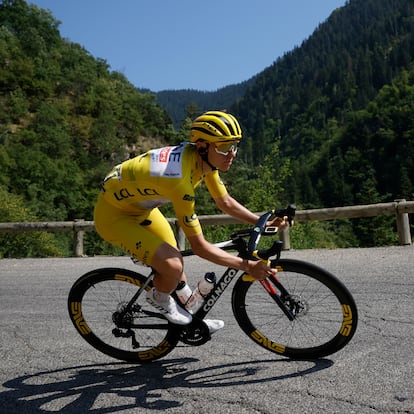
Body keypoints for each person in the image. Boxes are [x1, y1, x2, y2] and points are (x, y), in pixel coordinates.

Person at [94, 110, 288, 333]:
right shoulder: (179, 180)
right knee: (172, 264)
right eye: (224, 147)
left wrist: (261, 220)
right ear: (203, 146)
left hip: (141, 209)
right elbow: (200, 247)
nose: (232, 154)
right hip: (113, 217)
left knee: (177, 272)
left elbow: (224, 202)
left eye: (234, 146)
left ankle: (193, 320)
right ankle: (158, 297)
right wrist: (247, 266)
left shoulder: (203, 161)